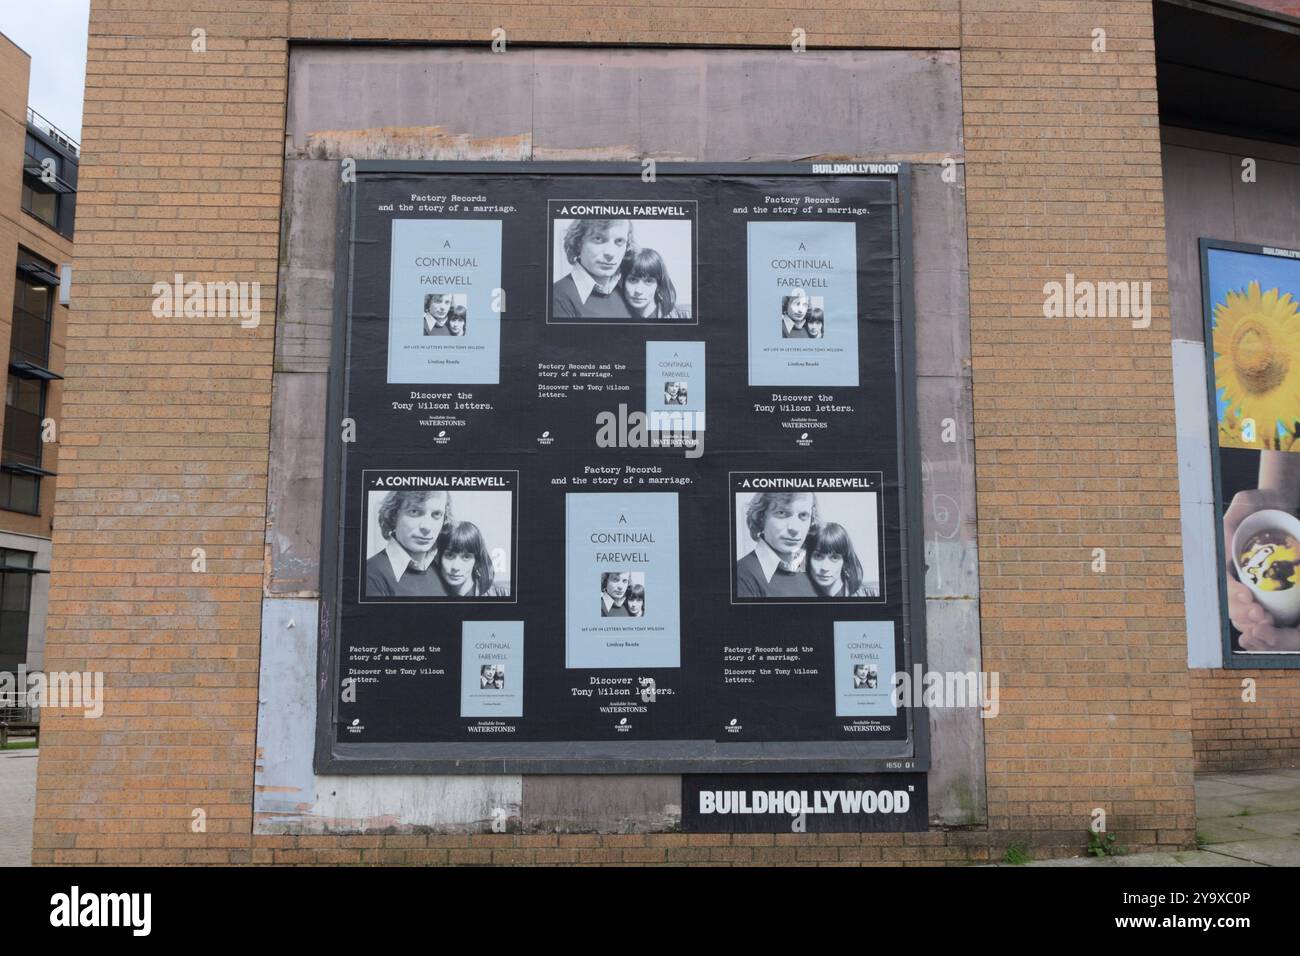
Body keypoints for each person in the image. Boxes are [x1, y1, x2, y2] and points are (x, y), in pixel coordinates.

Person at [365, 490, 451, 597]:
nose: (427, 527)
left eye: (437, 514)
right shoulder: (370, 575)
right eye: (414, 511)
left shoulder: (443, 568)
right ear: (393, 516)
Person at [735, 492, 819, 598]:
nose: (795, 528)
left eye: (803, 515)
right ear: (761, 517)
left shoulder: (811, 567)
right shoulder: (740, 575)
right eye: (781, 513)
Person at [552, 219, 634, 320]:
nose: (610, 253)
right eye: (598, 239)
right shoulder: (557, 296)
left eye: (619, 241)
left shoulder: (627, 291)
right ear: (578, 243)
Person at [436, 520, 510, 596]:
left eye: (466, 557)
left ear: (476, 561)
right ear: (439, 557)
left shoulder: (502, 594)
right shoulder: (430, 592)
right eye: (450, 555)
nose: (456, 567)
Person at [807, 521, 878, 597]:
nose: (825, 567)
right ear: (808, 559)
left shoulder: (872, 594)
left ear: (845, 562)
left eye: (834, 558)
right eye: (818, 556)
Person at [622, 247, 689, 319]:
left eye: (648, 281)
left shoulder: (684, 316)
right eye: (632, 280)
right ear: (622, 281)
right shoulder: (615, 314)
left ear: (659, 286)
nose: (639, 290)